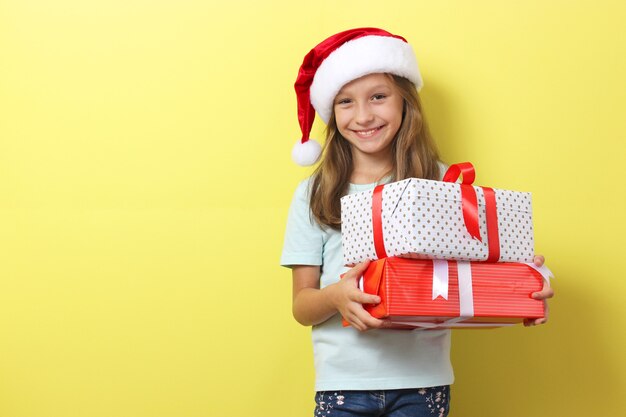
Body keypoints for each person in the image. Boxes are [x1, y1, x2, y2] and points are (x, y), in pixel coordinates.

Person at [280, 27, 553, 417]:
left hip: (423, 383)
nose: (363, 115)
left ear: (405, 101)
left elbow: (474, 273)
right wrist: (336, 296)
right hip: (343, 385)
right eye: (346, 102)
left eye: (378, 96)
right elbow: (302, 306)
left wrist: (524, 283)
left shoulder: (444, 182)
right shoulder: (315, 193)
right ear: (330, 111)